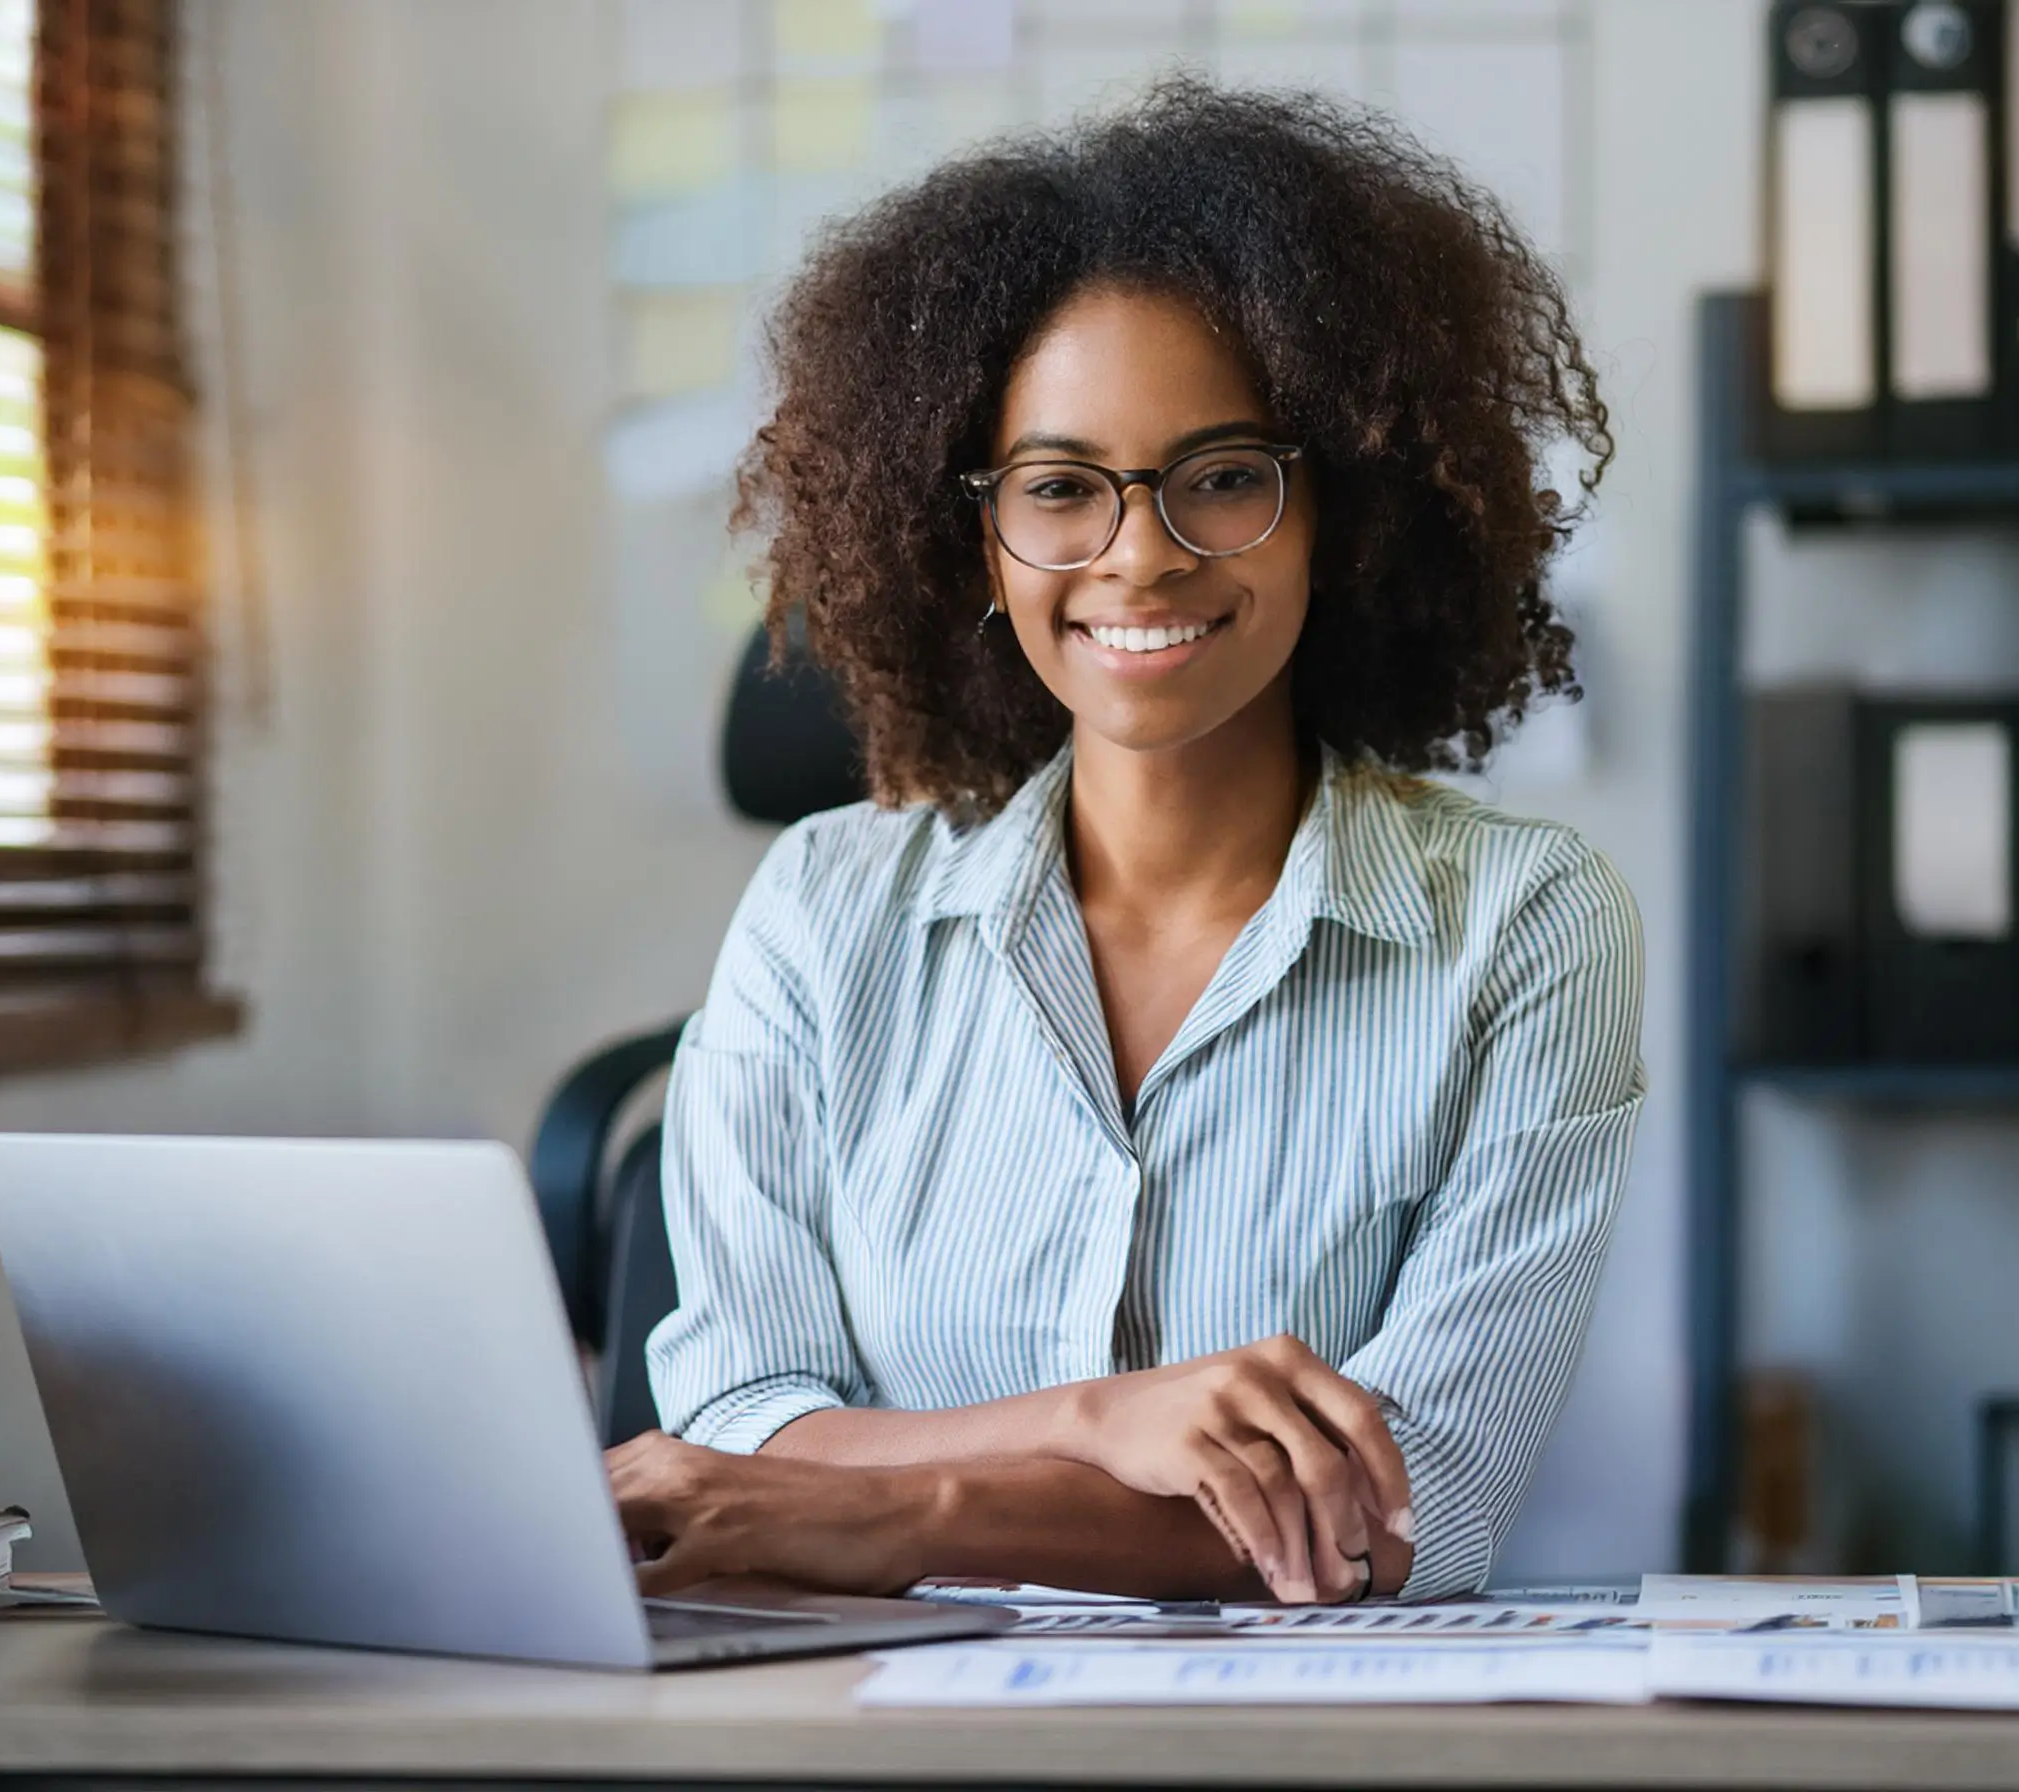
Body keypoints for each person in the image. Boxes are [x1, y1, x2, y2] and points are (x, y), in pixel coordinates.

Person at [609, 80, 1644, 1608]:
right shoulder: (823, 913)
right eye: (1060, 488)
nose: (1141, 553)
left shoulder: (1527, 926)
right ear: (976, 533)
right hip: (873, 1730)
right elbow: (733, 1426)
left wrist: (906, 1507)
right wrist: (1105, 1422)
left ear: (1336, 513)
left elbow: (1407, 1514)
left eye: (1224, 477)